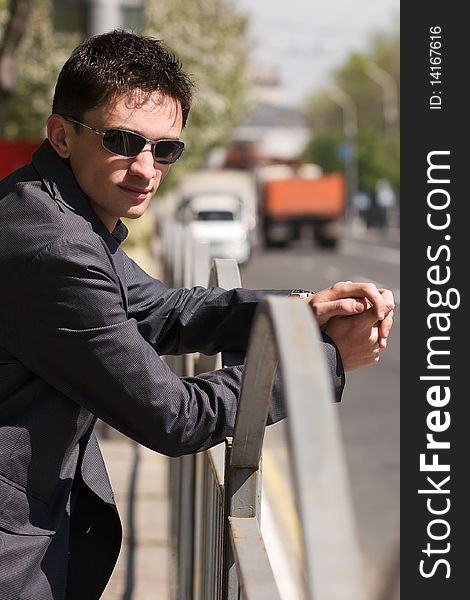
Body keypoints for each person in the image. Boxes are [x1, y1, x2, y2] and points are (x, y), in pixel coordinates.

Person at [0, 30, 394, 600]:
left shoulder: (51, 207)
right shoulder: (54, 244)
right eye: (122, 141)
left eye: (165, 149)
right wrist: (323, 363)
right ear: (61, 135)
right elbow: (174, 417)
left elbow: (160, 310)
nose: (146, 169)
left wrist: (303, 312)